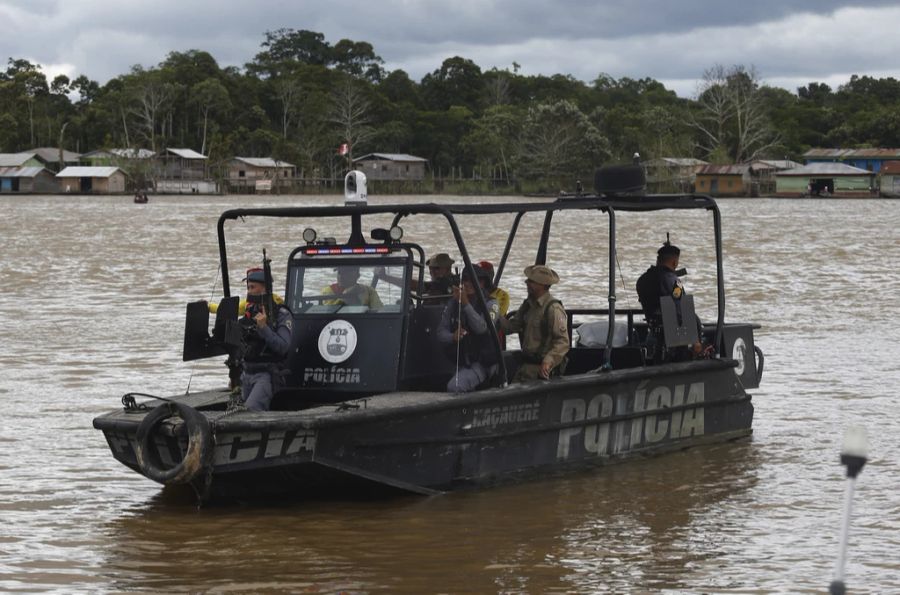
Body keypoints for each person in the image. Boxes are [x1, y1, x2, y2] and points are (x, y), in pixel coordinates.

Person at [635, 242, 703, 362]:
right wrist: (696, 341)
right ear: (674, 262)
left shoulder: (642, 279)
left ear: (658, 259)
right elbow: (683, 310)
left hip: (653, 332)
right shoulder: (674, 281)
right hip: (675, 339)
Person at [437, 266, 501, 392]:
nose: (468, 283)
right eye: (465, 279)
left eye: (474, 280)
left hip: (483, 363)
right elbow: (440, 332)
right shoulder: (454, 303)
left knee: (455, 386)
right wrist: (453, 336)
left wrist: (466, 304)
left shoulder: (492, 304)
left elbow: (481, 328)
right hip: (463, 361)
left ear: (482, 283)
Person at [501, 265, 569, 382]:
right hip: (526, 365)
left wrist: (548, 361)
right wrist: (494, 313)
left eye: (531, 281)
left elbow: (562, 342)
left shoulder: (553, 309)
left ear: (542, 285)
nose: (527, 282)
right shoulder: (528, 305)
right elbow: (511, 327)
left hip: (540, 369)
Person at [239, 268, 293, 411]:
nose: (249, 291)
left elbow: (283, 347)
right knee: (239, 410)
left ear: (264, 289)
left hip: (266, 374)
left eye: (253, 287)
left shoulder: (281, 314)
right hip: (247, 374)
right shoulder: (250, 313)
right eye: (248, 287)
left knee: (251, 410)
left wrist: (264, 328)